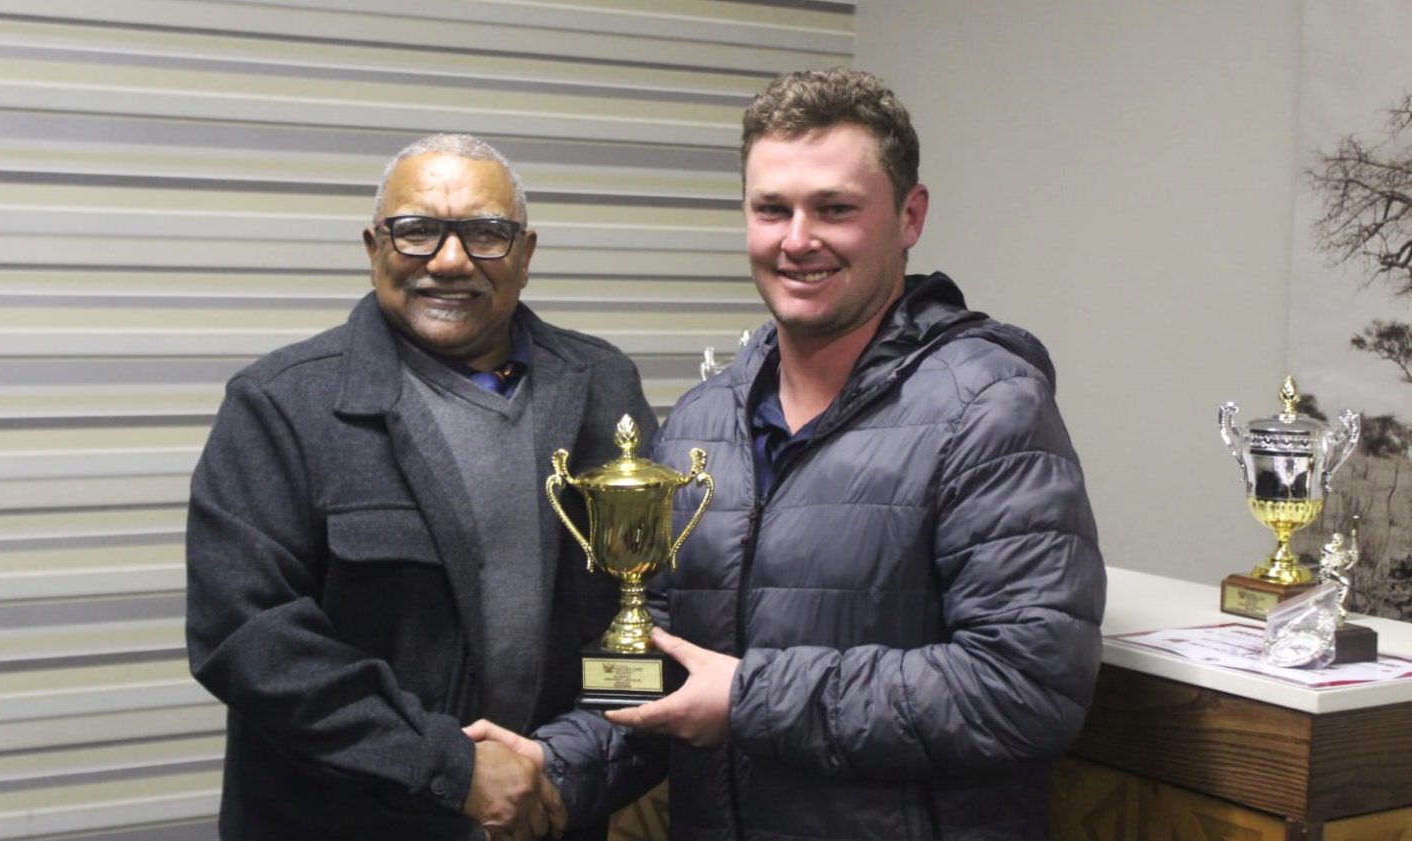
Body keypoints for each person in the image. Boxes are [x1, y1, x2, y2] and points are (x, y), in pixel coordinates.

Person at [468, 68, 1107, 840]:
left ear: (910, 216)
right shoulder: (705, 421)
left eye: (834, 209)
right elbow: (662, 650)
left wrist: (749, 698)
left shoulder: (991, 407)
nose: (797, 240)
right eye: (772, 209)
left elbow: (1026, 686)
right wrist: (554, 765)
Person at [185, 133, 655, 841]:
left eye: (487, 233)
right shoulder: (282, 405)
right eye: (416, 231)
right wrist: (454, 770)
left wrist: (570, 766)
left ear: (526, 255)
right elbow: (248, 638)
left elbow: (646, 607)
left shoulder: (601, 387)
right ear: (374, 247)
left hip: (552, 819)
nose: (451, 259)